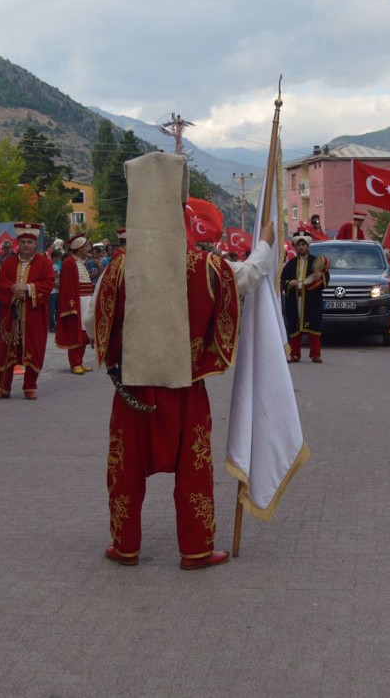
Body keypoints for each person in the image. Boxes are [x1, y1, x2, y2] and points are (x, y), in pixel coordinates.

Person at [94, 152, 276, 570]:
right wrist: (265, 243)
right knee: (193, 471)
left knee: (125, 473)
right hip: (186, 390)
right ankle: (195, 549)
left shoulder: (118, 270)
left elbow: (94, 324)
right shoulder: (206, 266)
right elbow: (248, 276)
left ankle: (125, 546)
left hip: (132, 391)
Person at [0, 224, 56, 400]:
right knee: (6, 348)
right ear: (18, 243)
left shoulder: (44, 263)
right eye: (23, 241)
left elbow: (49, 283)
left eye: (30, 242)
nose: (26, 245)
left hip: (34, 314)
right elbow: (1, 282)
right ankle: (3, 387)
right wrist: (12, 288)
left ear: (35, 244)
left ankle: (30, 386)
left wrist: (28, 288)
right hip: (10, 314)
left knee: (33, 347)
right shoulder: (8, 263)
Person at [281, 230, 329, 363]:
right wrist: (289, 283)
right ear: (295, 247)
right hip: (295, 300)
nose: (301, 247)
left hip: (312, 300)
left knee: (314, 326)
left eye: (303, 245)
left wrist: (321, 276)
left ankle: (316, 354)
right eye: (298, 245)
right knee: (295, 327)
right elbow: (283, 280)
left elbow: (326, 276)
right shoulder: (290, 264)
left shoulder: (316, 262)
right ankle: (295, 354)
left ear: (308, 246)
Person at [56, 234, 94, 373]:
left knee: (84, 333)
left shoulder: (81, 263)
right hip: (77, 302)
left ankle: (80, 361)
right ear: (78, 248)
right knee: (75, 333)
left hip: (86, 301)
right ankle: (75, 363)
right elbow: (67, 287)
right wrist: (71, 305)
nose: (88, 249)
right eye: (85, 247)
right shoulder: (69, 263)